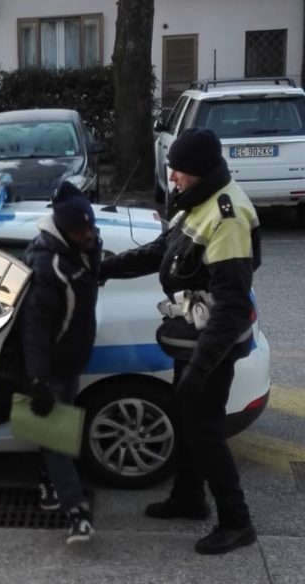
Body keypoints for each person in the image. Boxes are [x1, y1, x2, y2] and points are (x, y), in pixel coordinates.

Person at [99, 128, 261, 555]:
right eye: (172, 170)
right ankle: (189, 498)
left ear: (201, 171)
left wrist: (202, 367)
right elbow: (161, 251)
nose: (172, 178)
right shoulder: (197, 202)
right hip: (191, 338)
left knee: (205, 431)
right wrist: (108, 267)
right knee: (189, 423)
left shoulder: (226, 218)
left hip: (211, 345)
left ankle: (237, 522)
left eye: (179, 172)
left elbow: (230, 308)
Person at [19, 180, 102, 545]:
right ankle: (77, 512)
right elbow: (34, 330)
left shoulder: (83, 246)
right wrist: (37, 381)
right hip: (51, 365)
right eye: (80, 230)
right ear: (64, 230)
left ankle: (48, 483)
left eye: (90, 227)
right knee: (55, 437)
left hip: (72, 358)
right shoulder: (47, 267)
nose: (88, 234)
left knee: (58, 427)